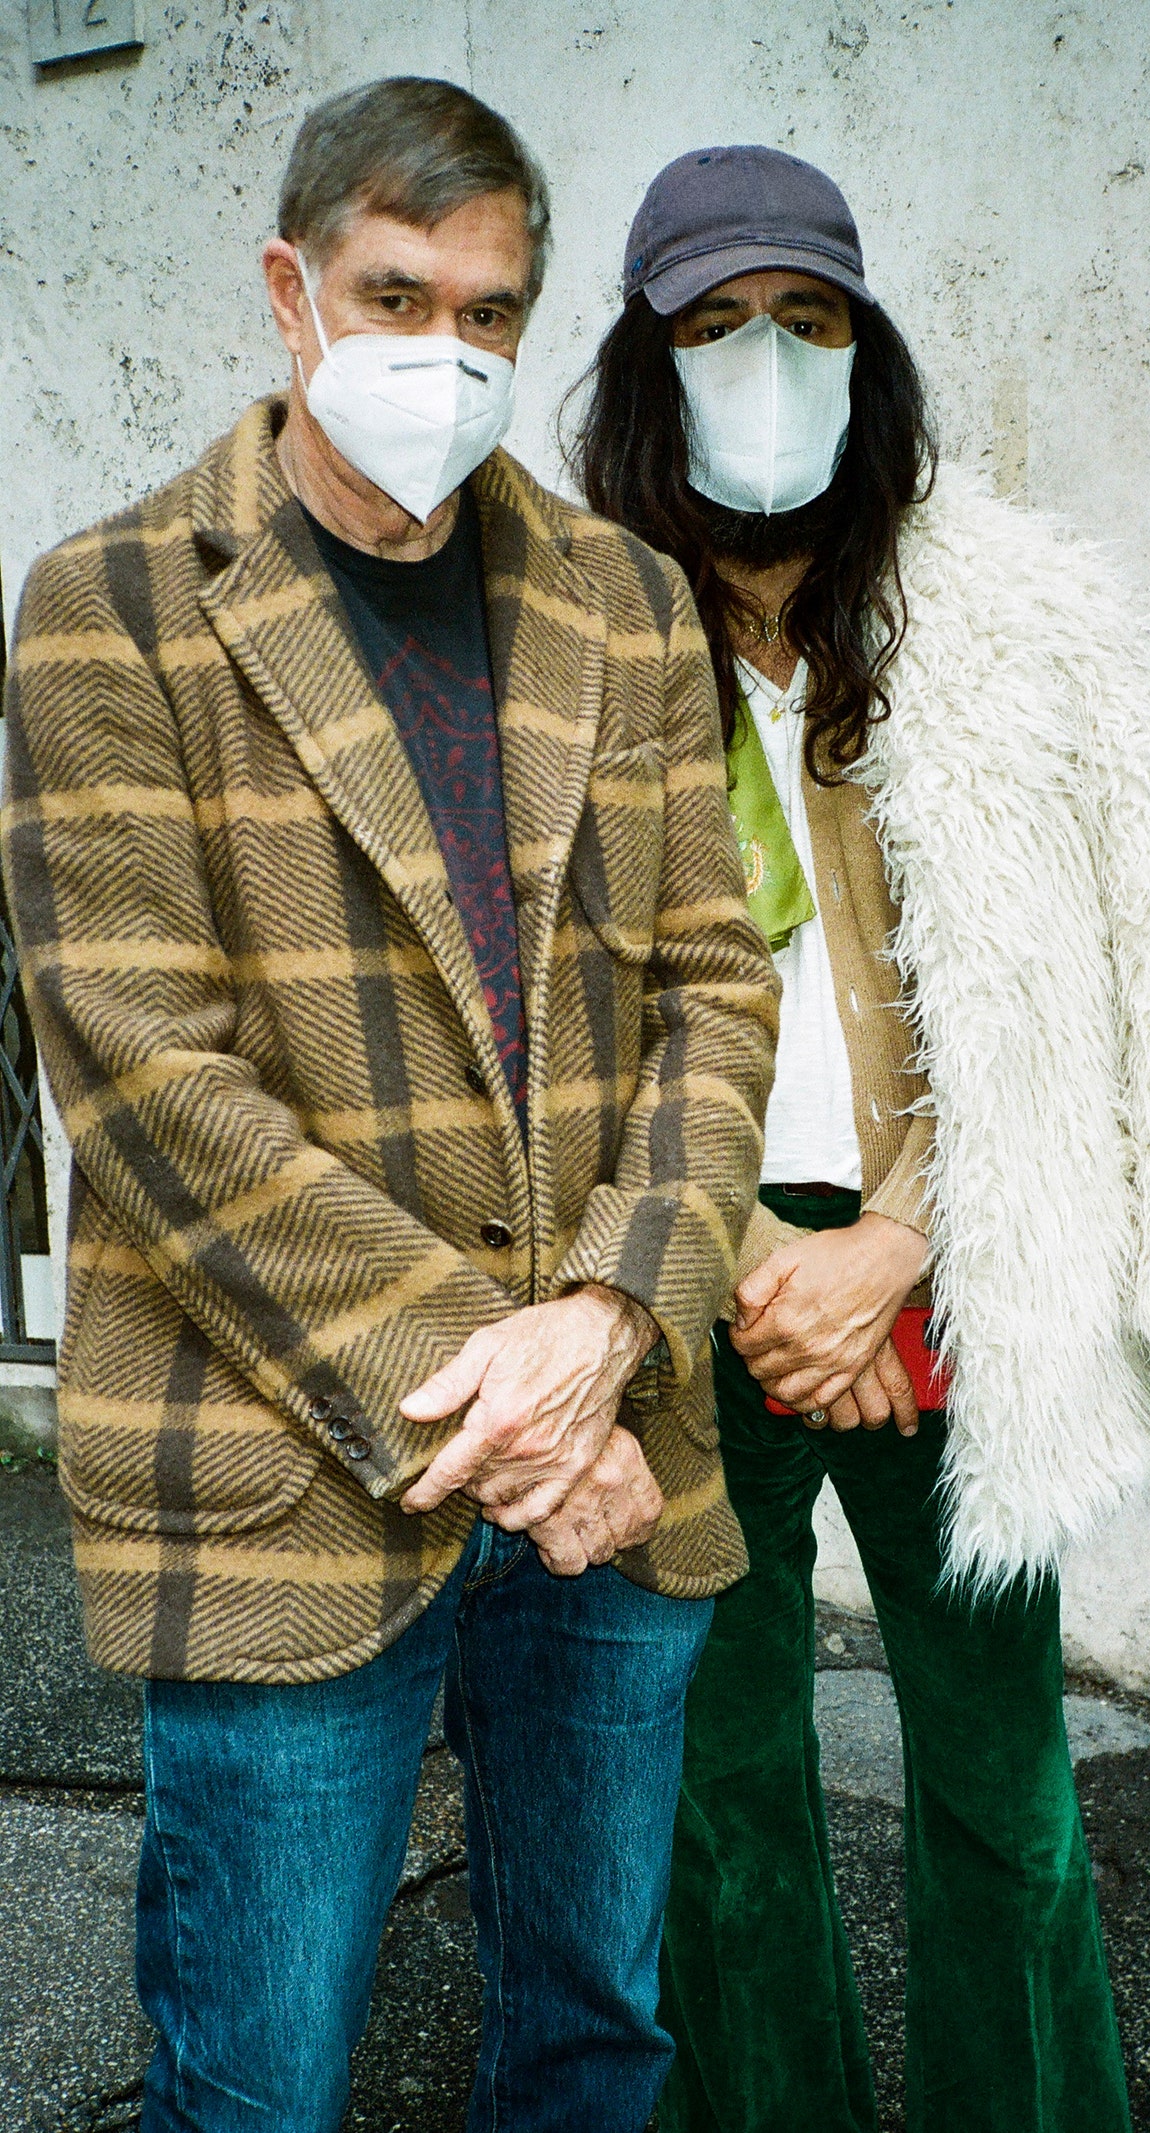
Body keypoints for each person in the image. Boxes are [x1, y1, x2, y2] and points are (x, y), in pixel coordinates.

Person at [1, 82, 778, 2133]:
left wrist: (608, 1328)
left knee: (593, 2035)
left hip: (611, 1449)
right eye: (394, 292)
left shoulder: (619, 596)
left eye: (494, 312)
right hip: (291, 1468)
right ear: (290, 289)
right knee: (256, 2078)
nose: (447, 352)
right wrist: (514, 1400)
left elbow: (711, 980)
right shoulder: (113, 607)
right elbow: (146, 1076)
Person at [571, 145, 1150, 2133]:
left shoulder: (1003, 628)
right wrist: (731, 1275)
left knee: (1003, 1794)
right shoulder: (563, 650)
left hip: (952, 1260)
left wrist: (893, 1241)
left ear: (863, 347)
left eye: (801, 319)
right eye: (713, 325)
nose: (762, 361)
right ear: (648, 364)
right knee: (715, 1816)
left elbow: (1083, 995)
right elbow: (526, 1031)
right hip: (674, 1286)